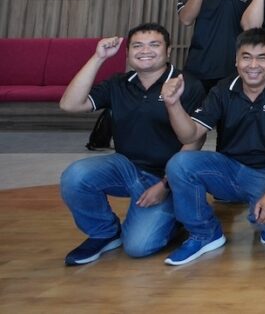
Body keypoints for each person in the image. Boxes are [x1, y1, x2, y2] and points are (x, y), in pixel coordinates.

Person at [58, 24, 205, 265]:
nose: (145, 51)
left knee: (138, 246)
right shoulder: (119, 83)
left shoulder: (186, 84)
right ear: (127, 53)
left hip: (168, 177)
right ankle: (104, 232)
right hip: (125, 167)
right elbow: (70, 104)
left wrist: (166, 184)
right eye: (137, 46)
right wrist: (99, 57)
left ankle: (177, 218)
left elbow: (196, 140)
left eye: (154, 45)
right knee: (75, 176)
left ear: (168, 51)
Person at [161, 28, 265, 265]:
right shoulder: (222, 89)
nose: (253, 65)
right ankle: (205, 234)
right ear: (236, 60)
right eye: (246, 57)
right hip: (228, 169)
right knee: (180, 163)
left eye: (262, 57)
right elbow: (191, 135)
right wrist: (173, 104)